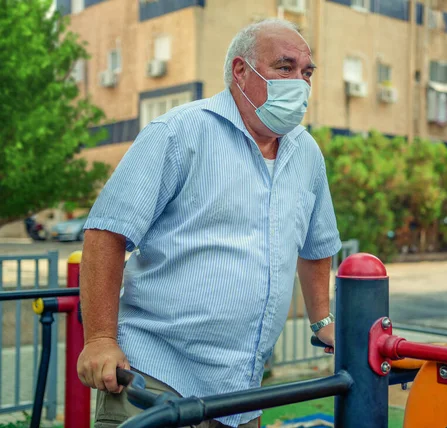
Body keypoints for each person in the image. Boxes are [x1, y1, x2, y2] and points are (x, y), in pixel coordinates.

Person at [76, 18, 341, 428]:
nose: (300, 83)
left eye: (306, 73)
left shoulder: (306, 154)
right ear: (240, 71)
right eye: (284, 68)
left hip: (241, 394)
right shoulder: (179, 132)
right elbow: (106, 233)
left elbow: (316, 244)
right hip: (157, 380)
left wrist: (322, 321)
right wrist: (99, 340)